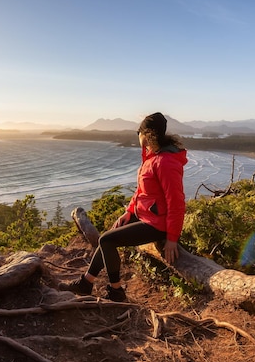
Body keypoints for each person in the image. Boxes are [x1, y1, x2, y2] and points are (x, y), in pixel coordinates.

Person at [59, 112, 187, 302]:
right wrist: (129, 212)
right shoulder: (153, 157)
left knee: (107, 241)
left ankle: (116, 290)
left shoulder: (165, 162)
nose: (138, 136)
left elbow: (176, 202)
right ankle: (86, 283)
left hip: (157, 224)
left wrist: (172, 238)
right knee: (110, 235)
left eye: (139, 132)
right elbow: (142, 191)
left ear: (147, 134)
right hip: (145, 215)